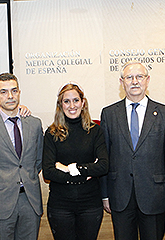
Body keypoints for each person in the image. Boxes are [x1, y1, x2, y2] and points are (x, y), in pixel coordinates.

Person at [100, 60, 165, 240]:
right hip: (120, 196)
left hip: (154, 197)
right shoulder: (109, 114)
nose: (135, 81)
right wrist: (105, 194)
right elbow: (105, 157)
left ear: (147, 80)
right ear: (122, 82)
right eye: (129, 77)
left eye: (139, 76)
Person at [0, 73, 44, 240]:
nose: (10, 96)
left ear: (19, 92)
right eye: (4, 92)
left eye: (14, 91)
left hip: (30, 201)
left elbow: (38, 160)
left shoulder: (34, 124)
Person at [42, 82, 109, 240]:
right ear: (60, 105)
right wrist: (86, 171)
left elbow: (103, 166)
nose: (72, 105)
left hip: (90, 204)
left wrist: (68, 168)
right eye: (66, 101)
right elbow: (48, 171)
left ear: (83, 102)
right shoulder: (51, 133)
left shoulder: (95, 131)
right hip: (60, 205)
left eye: (76, 100)